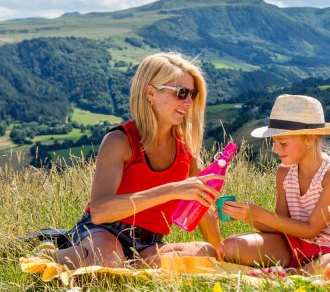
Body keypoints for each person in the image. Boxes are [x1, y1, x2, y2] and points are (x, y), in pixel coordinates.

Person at [53, 53, 221, 269]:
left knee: (205, 254)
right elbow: (100, 211)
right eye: (181, 93)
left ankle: (124, 266)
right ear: (150, 92)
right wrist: (172, 190)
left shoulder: (186, 149)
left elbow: (202, 204)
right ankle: (53, 254)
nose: (189, 102)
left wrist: (221, 253)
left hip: (150, 242)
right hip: (103, 230)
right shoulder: (120, 140)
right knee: (107, 258)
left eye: (193, 94)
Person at [219, 94, 330, 273]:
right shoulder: (284, 173)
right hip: (293, 245)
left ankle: (293, 274)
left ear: (310, 138)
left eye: (283, 143)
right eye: (274, 142)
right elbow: (280, 226)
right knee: (229, 247)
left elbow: (311, 230)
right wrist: (247, 215)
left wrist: (258, 212)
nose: (275, 149)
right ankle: (296, 272)